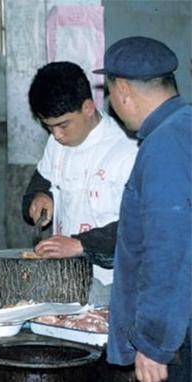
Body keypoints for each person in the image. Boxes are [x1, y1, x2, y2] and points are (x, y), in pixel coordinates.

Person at [96, 36, 191, 382]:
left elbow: (170, 249)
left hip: (179, 336)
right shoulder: (184, 127)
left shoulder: (164, 145)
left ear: (122, 90)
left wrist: (153, 344)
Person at [22, 62, 138, 304]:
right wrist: (41, 196)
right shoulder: (57, 143)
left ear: (87, 108)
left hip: (112, 283)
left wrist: (80, 245)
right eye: (48, 126)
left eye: (63, 125)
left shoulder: (127, 149)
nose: (56, 135)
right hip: (65, 278)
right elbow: (43, 180)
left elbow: (139, 227)